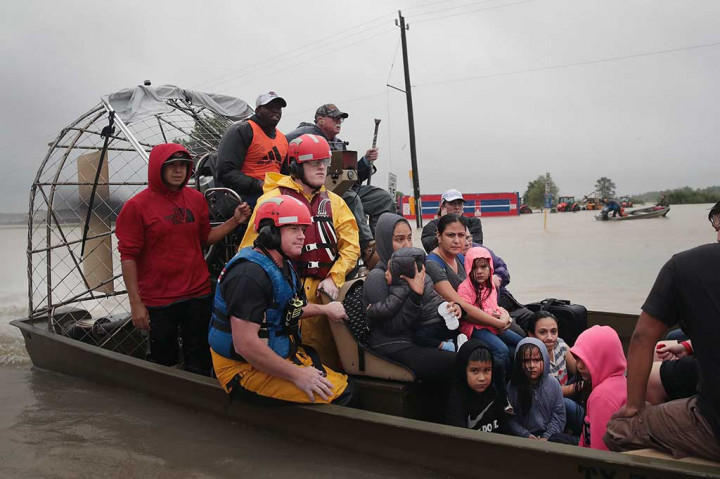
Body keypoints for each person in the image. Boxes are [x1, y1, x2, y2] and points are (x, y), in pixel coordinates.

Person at [116, 143, 251, 376]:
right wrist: (135, 304)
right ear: (158, 168)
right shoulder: (136, 207)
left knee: (199, 357)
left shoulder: (196, 199)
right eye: (171, 166)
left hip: (197, 293)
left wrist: (235, 221)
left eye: (183, 166)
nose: (178, 171)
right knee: (163, 361)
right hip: (159, 299)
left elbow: (205, 238)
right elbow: (128, 257)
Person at [208, 195, 354, 405]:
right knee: (342, 396)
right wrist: (298, 375)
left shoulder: (281, 265)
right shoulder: (249, 276)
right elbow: (244, 344)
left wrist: (326, 310)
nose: (302, 236)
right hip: (241, 368)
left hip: (269, 357)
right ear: (269, 232)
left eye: (303, 230)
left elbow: (288, 309)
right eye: (294, 229)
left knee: (346, 384)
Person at [603, 201, 720, 460]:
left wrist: (634, 406)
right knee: (675, 341)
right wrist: (688, 346)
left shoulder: (685, 266)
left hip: (715, 424)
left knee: (618, 429)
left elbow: (643, 338)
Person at [239, 134, 360, 370]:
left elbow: (351, 245)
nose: (322, 168)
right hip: (283, 294)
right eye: (314, 163)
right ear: (296, 166)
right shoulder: (271, 201)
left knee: (326, 362)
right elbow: (249, 252)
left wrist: (335, 277)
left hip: (322, 295)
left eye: (324, 162)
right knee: (284, 358)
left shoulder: (335, 202)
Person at [285, 103, 396, 247]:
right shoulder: (304, 136)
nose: (339, 122)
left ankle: (383, 245)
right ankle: (368, 248)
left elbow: (352, 179)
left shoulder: (338, 144)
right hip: (317, 191)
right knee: (351, 199)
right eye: (334, 118)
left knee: (382, 198)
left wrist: (365, 161)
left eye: (340, 119)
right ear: (320, 120)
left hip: (342, 189)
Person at [362, 213, 455, 382]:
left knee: (473, 350)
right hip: (392, 345)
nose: (407, 244)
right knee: (455, 363)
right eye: (399, 239)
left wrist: (450, 309)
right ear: (384, 241)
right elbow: (391, 327)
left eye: (410, 238)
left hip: (414, 338)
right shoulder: (378, 276)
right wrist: (415, 295)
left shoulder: (410, 271)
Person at [216, 91, 288, 209]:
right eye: (270, 107)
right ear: (258, 110)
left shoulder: (283, 139)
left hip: (274, 193)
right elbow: (226, 172)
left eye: (278, 108)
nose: (275, 110)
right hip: (247, 195)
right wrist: (259, 185)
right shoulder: (242, 130)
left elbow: (286, 173)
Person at [457, 246, 523, 373]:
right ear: (468, 268)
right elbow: (468, 313)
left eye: (483, 267)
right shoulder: (464, 288)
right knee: (502, 350)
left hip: (493, 325)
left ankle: (518, 377)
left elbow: (494, 306)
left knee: (521, 343)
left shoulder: (491, 284)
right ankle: (503, 382)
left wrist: (504, 314)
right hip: (474, 328)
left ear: (490, 267)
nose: (479, 271)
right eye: (475, 267)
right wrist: (493, 315)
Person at [386, 247, 462, 351]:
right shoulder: (423, 277)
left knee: (420, 337)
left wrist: (373, 310)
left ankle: (448, 346)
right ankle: (455, 339)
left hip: (432, 320)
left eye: (389, 271)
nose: (385, 273)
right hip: (440, 316)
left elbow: (388, 307)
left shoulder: (402, 289)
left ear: (401, 275)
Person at [570, 325, 627, 451]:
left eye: (586, 359)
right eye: (577, 358)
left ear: (603, 357)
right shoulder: (622, 380)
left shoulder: (601, 398)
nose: (579, 366)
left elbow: (600, 452)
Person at [527, 311, 584, 436]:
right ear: (531, 335)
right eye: (542, 332)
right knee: (566, 404)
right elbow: (552, 393)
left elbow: (578, 370)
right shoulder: (531, 357)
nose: (550, 337)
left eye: (553, 331)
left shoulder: (559, 344)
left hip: (566, 391)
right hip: (547, 403)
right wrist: (582, 385)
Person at [506, 338, 572, 443]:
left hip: (551, 438)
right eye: (526, 360)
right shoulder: (513, 387)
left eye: (537, 360)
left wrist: (547, 436)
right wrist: (525, 435)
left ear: (545, 360)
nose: (532, 366)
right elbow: (509, 419)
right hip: (522, 440)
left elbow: (559, 415)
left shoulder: (553, 384)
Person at [445, 339, 508, 433]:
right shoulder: (457, 401)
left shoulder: (494, 391)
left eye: (487, 370)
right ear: (463, 370)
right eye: (474, 371)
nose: (482, 378)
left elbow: (504, 425)